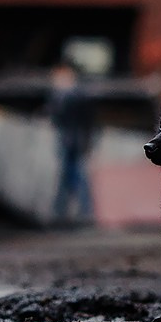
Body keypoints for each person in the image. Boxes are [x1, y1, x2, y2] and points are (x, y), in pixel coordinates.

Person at [45, 62, 95, 226]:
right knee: (69, 176)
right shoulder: (61, 95)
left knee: (75, 176)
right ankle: (64, 212)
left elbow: (86, 121)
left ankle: (79, 212)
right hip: (68, 140)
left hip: (72, 141)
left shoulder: (75, 95)